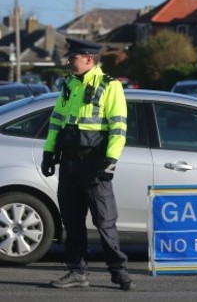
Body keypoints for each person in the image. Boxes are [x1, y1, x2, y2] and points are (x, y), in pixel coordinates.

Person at [40, 38, 133, 290]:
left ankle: (119, 271)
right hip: (69, 163)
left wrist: (111, 160)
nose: (69, 62)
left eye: (73, 58)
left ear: (89, 59)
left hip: (94, 163)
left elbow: (118, 128)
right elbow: (56, 122)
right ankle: (77, 272)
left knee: (104, 221)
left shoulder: (110, 86)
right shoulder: (69, 84)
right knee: (72, 221)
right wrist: (48, 153)